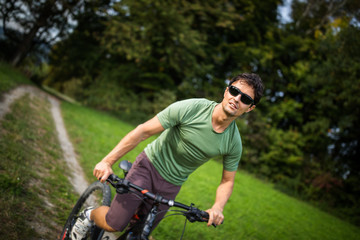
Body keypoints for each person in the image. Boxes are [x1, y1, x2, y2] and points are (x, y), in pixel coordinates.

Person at [70, 73, 264, 240]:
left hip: (172, 186)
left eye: (246, 99)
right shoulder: (193, 108)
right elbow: (143, 131)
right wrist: (107, 161)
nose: (237, 98)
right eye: (234, 90)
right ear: (226, 90)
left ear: (250, 108)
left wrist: (217, 207)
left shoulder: (233, 142)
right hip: (148, 166)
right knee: (114, 223)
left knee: (140, 234)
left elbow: (227, 181)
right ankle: (89, 216)